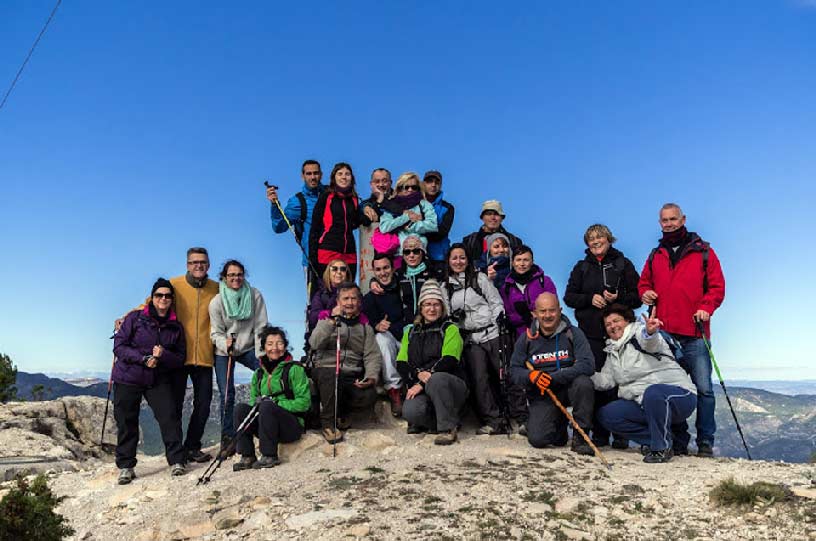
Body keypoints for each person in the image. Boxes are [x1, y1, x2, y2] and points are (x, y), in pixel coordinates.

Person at [114, 247, 220, 464]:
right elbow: (150, 302)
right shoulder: (175, 284)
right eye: (193, 262)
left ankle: (192, 447)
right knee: (174, 408)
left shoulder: (217, 289)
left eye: (202, 262)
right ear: (187, 265)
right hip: (176, 357)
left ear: (208, 265)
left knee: (203, 404)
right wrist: (125, 316)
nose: (198, 266)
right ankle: (178, 452)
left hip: (204, 356)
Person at [638, 203, 725, 457]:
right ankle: (678, 441)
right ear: (660, 223)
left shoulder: (704, 251)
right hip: (665, 334)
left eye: (673, 219)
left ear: (683, 219)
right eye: (664, 220)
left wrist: (706, 307)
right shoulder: (656, 255)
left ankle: (705, 442)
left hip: (695, 332)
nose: (669, 223)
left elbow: (717, 288)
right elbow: (643, 283)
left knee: (704, 390)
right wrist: (646, 293)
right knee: (671, 389)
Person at [563, 224, 641, 449]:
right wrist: (590, 299)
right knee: (596, 383)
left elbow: (637, 297)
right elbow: (569, 297)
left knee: (621, 382)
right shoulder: (581, 268)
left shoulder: (623, 264)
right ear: (587, 243)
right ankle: (598, 434)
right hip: (591, 335)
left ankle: (621, 434)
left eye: (600, 238)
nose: (596, 242)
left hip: (620, 334)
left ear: (609, 240)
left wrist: (618, 298)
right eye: (591, 239)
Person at [592, 304, 697, 463]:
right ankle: (660, 439)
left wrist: (650, 332)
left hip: (679, 395)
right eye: (608, 324)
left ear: (627, 320)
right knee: (607, 415)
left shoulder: (640, 333)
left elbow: (650, 343)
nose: (613, 326)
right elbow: (606, 380)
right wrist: (584, 374)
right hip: (644, 403)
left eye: (616, 321)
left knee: (654, 393)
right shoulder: (612, 351)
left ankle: (661, 448)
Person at [112, 278, 187, 484]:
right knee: (127, 422)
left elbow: (180, 358)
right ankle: (126, 466)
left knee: (169, 417)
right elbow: (119, 347)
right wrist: (143, 359)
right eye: (159, 295)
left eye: (167, 296)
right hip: (128, 376)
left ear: (172, 300)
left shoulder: (175, 327)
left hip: (157, 378)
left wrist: (163, 355)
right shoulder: (135, 319)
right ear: (152, 298)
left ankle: (176, 461)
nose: (163, 299)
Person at [510, 293, 595, 455]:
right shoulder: (526, 339)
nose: (547, 316)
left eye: (552, 310)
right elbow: (514, 370)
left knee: (584, 383)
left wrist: (554, 377)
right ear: (534, 313)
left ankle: (581, 436)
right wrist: (531, 377)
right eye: (542, 311)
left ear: (560, 310)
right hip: (543, 394)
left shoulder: (573, 333)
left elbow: (588, 365)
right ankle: (557, 427)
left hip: (569, 388)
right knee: (538, 440)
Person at [444, 244, 508, 435]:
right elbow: (447, 315)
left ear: (468, 260)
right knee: (480, 380)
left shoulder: (479, 278)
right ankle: (493, 420)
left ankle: (518, 416)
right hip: (470, 337)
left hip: (492, 332)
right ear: (448, 261)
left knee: (505, 375)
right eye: (454, 258)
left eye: (462, 257)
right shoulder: (445, 287)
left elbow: (495, 301)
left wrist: (498, 323)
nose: (458, 261)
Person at [308, 282, 382, 443]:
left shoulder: (365, 327)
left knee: (368, 394)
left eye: (353, 298)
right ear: (338, 301)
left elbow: (372, 355)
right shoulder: (326, 319)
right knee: (331, 378)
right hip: (325, 370)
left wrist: (370, 376)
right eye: (345, 298)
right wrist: (331, 322)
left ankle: (341, 413)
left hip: (350, 372)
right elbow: (314, 343)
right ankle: (328, 424)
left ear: (359, 302)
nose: (349, 303)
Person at [397, 280, 468, 445]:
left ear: (442, 307)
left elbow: (449, 360)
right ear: (421, 308)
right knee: (410, 411)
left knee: (437, 379)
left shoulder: (450, 329)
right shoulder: (411, 332)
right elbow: (401, 362)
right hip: (425, 387)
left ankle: (448, 428)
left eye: (436, 304)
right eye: (427, 304)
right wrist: (416, 374)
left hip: (450, 385)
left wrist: (421, 382)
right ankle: (435, 421)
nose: (432, 308)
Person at [232, 326, 311, 471]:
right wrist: (258, 405)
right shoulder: (259, 374)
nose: (275, 348)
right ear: (263, 347)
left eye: (279, 343)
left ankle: (269, 455)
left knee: (267, 406)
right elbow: (253, 401)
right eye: (269, 344)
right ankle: (247, 455)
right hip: (266, 426)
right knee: (240, 409)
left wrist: (276, 403)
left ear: (285, 346)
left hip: (291, 425)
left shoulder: (294, 369)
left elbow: (304, 403)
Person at [209, 260, 268, 452]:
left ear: (244, 276)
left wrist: (261, 354)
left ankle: (263, 420)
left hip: (249, 346)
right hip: (224, 350)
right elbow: (215, 333)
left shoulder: (254, 295)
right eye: (231, 275)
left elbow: (261, 327)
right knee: (227, 393)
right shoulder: (217, 302)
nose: (236, 278)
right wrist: (224, 344)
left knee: (266, 373)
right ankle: (227, 437)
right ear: (224, 278)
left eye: (239, 274)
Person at [266, 159, 326, 291]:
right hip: (312, 262)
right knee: (316, 305)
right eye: (309, 174)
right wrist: (275, 205)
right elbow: (279, 226)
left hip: (335, 259)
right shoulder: (298, 201)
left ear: (321, 174)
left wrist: (366, 207)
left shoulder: (331, 194)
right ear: (302, 176)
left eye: (315, 173)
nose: (313, 177)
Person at [362, 253, 408, 417]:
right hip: (388, 337)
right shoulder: (369, 298)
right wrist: (376, 325)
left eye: (386, 268)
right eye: (378, 269)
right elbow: (366, 322)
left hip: (406, 333)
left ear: (393, 268)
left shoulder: (404, 286)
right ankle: (394, 390)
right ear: (374, 272)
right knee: (382, 340)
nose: (383, 273)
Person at [308, 162, 368, 280]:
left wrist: (367, 216)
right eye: (340, 174)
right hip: (328, 250)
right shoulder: (326, 196)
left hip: (349, 252)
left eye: (347, 174)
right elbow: (315, 227)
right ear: (334, 177)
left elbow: (354, 221)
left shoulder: (354, 199)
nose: (344, 177)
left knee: (348, 290)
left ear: (352, 178)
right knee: (328, 291)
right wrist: (313, 257)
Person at [377, 172, 438, 261]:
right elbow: (384, 227)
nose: (410, 190)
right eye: (406, 187)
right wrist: (406, 217)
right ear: (399, 188)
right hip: (397, 255)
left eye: (414, 187)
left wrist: (410, 226)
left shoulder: (424, 204)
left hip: (419, 254)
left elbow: (433, 225)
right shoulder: (391, 205)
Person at [499, 245, 557, 339]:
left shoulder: (544, 281)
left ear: (532, 262)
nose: (522, 264)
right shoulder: (506, 287)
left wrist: (533, 313)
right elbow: (508, 314)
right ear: (512, 262)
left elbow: (553, 306)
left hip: (546, 333)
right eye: (518, 260)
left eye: (526, 260)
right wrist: (523, 316)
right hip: (521, 337)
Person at [392, 234, 445, 322]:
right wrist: (373, 281)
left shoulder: (433, 271)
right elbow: (384, 283)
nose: (411, 255)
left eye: (416, 251)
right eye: (407, 252)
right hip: (407, 323)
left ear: (423, 253)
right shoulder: (399, 274)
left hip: (429, 322)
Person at [359, 168, 393, 294]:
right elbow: (362, 217)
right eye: (377, 181)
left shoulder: (400, 202)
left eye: (384, 181)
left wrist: (382, 200)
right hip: (376, 262)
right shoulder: (366, 204)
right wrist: (368, 206)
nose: (381, 185)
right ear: (371, 184)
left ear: (391, 182)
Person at [462, 200, 523, 264]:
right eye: (489, 214)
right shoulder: (469, 241)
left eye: (496, 214)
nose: (493, 217)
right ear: (482, 217)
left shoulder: (515, 242)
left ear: (502, 218)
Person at [421, 170, 455, 273]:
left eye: (437, 182)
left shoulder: (448, 208)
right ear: (423, 184)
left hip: (439, 257)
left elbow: (442, 232)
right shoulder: (415, 205)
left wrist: (420, 230)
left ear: (440, 185)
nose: (433, 185)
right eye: (429, 181)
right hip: (417, 255)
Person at [307, 258, 353, 332]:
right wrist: (331, 313)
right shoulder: (321, 294)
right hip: (327, 334)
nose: (339, 272)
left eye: (343, 269)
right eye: (334, 269)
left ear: (346, 273)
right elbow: (313, 318)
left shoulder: (354, 293)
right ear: (328, 273)